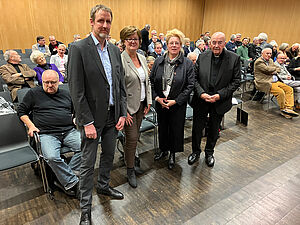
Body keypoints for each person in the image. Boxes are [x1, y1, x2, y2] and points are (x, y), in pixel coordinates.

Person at [68, 5, 127, 225]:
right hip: (92, 120)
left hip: (113, 117)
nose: (105, 25)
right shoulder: (78, 48)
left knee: (109, 155)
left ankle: (103, 187)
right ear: (91, 22)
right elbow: (76, 90)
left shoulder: (113, 49)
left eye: (108, 21)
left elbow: (118, 84)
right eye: (101, 21)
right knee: (87, 163)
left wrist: (121, 113)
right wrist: (87, 122)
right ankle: (85, 209)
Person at [17, 70, 81, 196]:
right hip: (46, 134)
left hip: (68, 131)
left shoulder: (66, 94)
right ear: (42, 82)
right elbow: (21, 111)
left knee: (88, 147)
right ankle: (72, 182)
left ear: (59, 82)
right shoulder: (34, 93)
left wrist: (75, 119)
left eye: (53, 82)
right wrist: (31, 126)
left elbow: (75, 112)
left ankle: (64, 177)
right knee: (51, 157)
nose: (50, 85)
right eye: (46, 82)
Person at [188, 32, 240, 167]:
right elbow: (194, 78)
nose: (216, 45)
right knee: (197, 128)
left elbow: (236, 81)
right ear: (209, 43)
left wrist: (220, 95)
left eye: (220, 42)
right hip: (202, 99)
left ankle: (209, 152)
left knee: (214, 129)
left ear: (224, 43)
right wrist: (201, 93)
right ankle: (195, 151)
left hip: (219, 100)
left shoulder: (234, 58)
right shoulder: (202, 57)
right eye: (214, 42)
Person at [150, 28, 194, 170]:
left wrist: (176, 101)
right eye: (171, 43)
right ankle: (163, 150)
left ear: (181, 45)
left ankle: (173, 154)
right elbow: (151, 82)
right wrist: (157, 98)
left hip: (177, 104)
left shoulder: (187, 63)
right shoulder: (158, 61)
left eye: (177, 43)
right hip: (161, 102)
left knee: (176, 129)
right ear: (166, 45)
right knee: (163, 127)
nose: (174, 45)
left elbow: (190, 85)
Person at [120, 25, 152, 188]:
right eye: (130, 39)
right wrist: (123, 111)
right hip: (129, 108)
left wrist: (149, 102)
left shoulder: (142, 57)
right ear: (124, 41)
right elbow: (117, 89)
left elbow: (147, 82)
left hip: (141, 105)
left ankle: (131, 161)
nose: (133, 41)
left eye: (136, 38)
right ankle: (130, 169)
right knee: (131, 139)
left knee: (135, 137)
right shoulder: (120, 59)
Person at [254, 48, 298, 118]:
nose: (269, 55)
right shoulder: (258, 62)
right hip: (265, 82)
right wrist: (274, 70)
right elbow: (267, 69)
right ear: (262, 54)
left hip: (276, 81)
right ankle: (283, 109)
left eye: (270, 53)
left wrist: (273, 70)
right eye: (267, 53)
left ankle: (289, 109)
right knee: (280, 92)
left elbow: (278, 69)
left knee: (289, 89)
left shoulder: (271, 60)